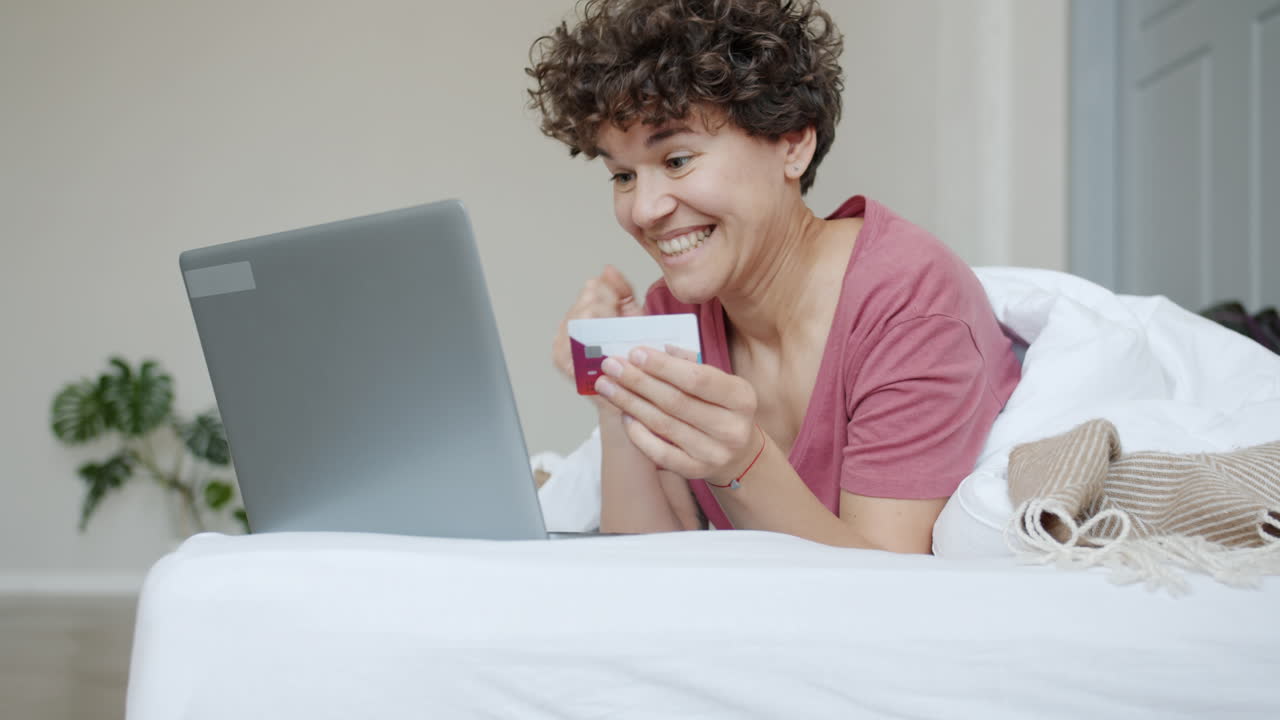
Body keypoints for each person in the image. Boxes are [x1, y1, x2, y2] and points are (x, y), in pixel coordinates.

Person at [526, 0, 1020, 553]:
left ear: (792, 144)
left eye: (676, 160)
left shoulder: (909, 303)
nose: (643, 210)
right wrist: (615, 400)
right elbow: (649, 569)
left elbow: (891, 591)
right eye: (621, 174)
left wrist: (743, 462)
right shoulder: (675, 313)